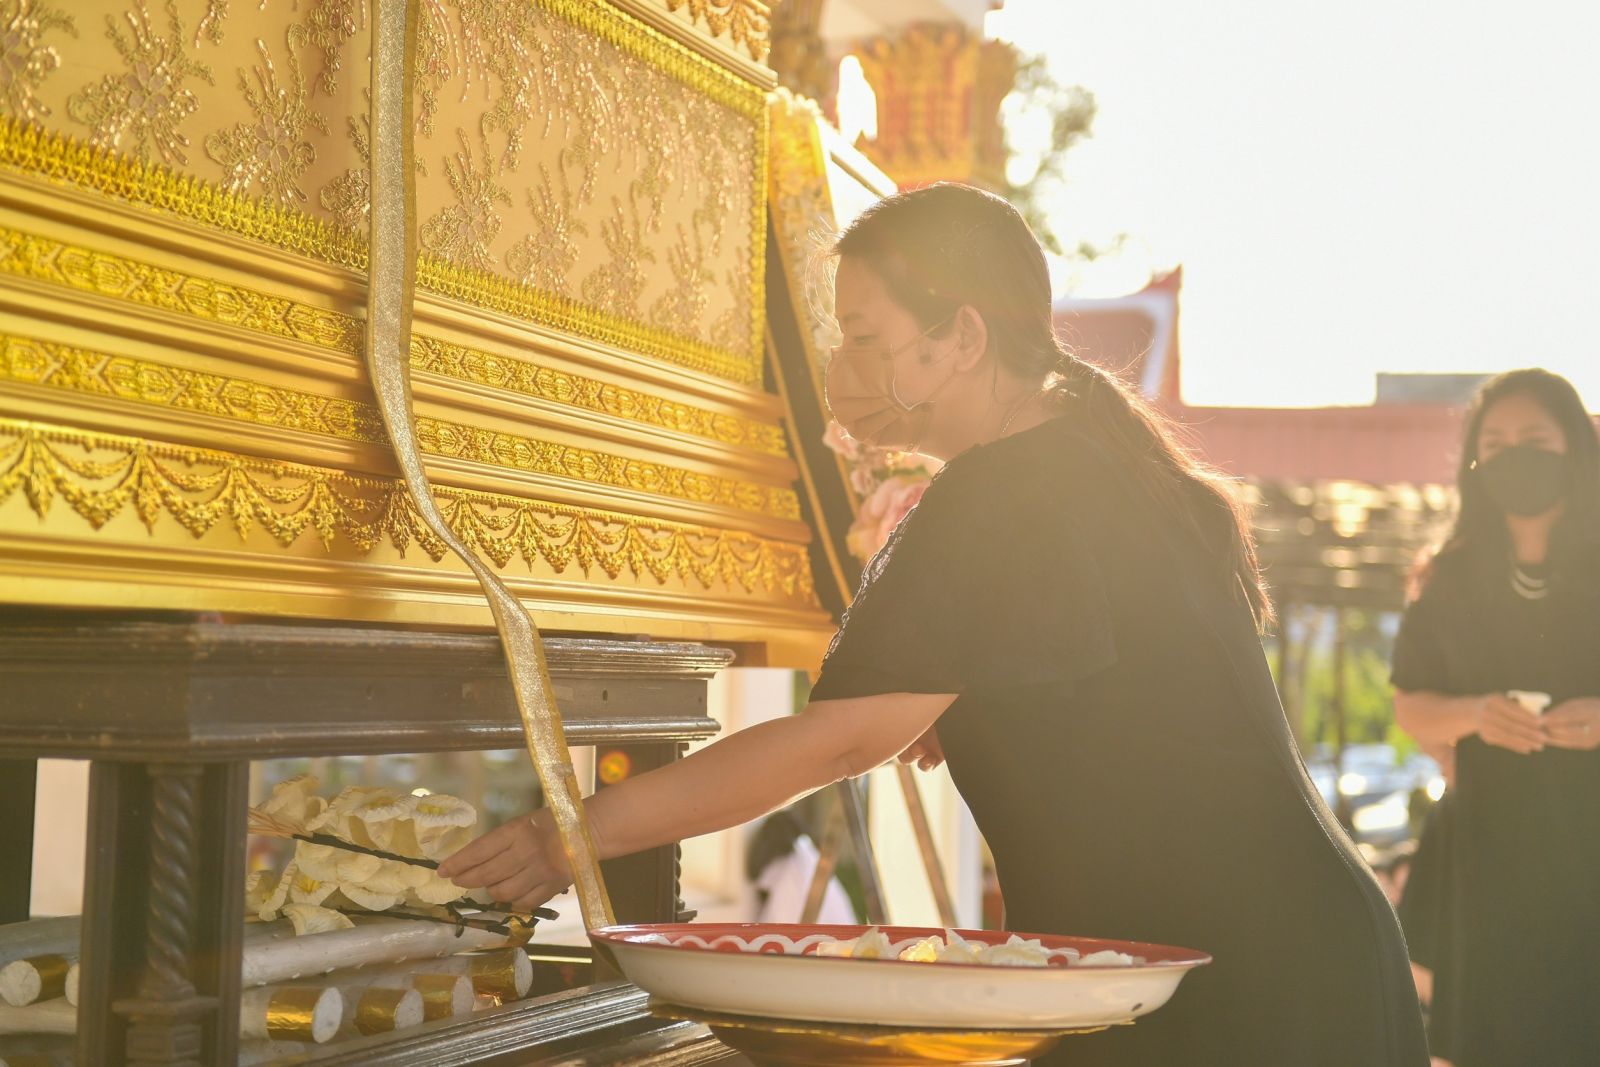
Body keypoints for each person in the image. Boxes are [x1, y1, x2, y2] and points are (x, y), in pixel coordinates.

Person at [441, 183, 1428, 1066]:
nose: (843, 363)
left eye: (864, 334)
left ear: (959, 337)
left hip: (1234, 985)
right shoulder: (1097, 462)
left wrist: (572, 829)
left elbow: (839, 739)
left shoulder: (1002, 494)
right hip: (1287, 949)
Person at [1390, 368, 1600, 1067]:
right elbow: (1410, 705)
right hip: (1487, 859)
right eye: (1497, 441)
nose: (1515, 454)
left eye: (1535, 438)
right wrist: (1476, 713)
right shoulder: (1448, 578)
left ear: (1575, 447)